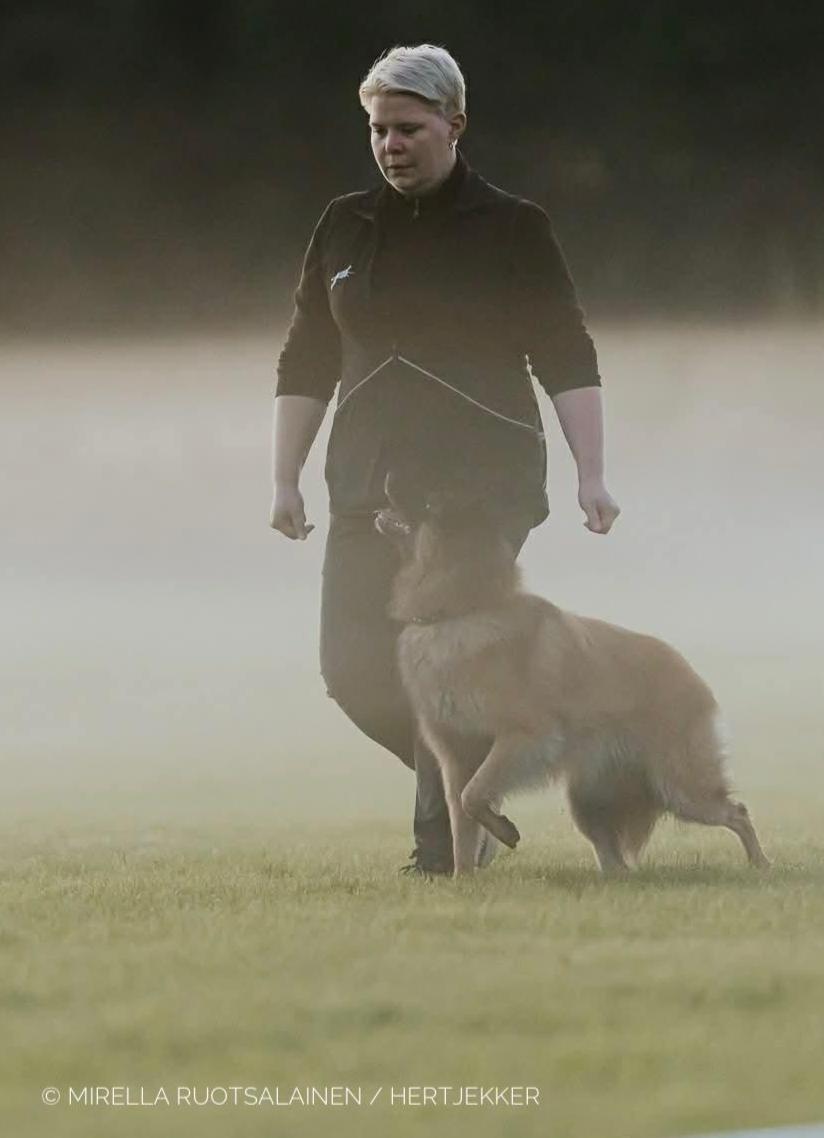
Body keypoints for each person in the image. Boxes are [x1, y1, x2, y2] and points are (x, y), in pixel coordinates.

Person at [270, 44, 620, 875]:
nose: (390, 145)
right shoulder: (343, 225)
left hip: (480, 488)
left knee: (446, 664)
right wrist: (284, 477)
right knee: (353, 672)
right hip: (366, 483)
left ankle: (444, 854)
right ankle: (483, 780)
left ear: (454, 123)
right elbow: (307, 356)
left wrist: (592, 473)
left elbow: (565, 350)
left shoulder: (513, 227)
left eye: (408, 128)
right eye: (378, 130)